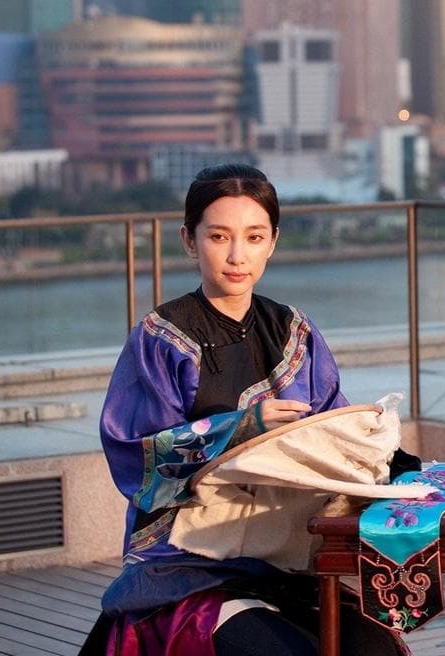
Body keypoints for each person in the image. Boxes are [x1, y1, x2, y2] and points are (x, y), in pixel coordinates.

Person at [82, 165, 405, 655]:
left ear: (272, 241)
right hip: (188, 562)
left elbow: (333, 433)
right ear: (189, 241)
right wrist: (242, 428)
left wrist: (385, 455)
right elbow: (138, 461)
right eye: (218, 236)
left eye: (254, 237)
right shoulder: (159, 338)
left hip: (286, 552)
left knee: (375, 648)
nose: (237, 256)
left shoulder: (295, 331)